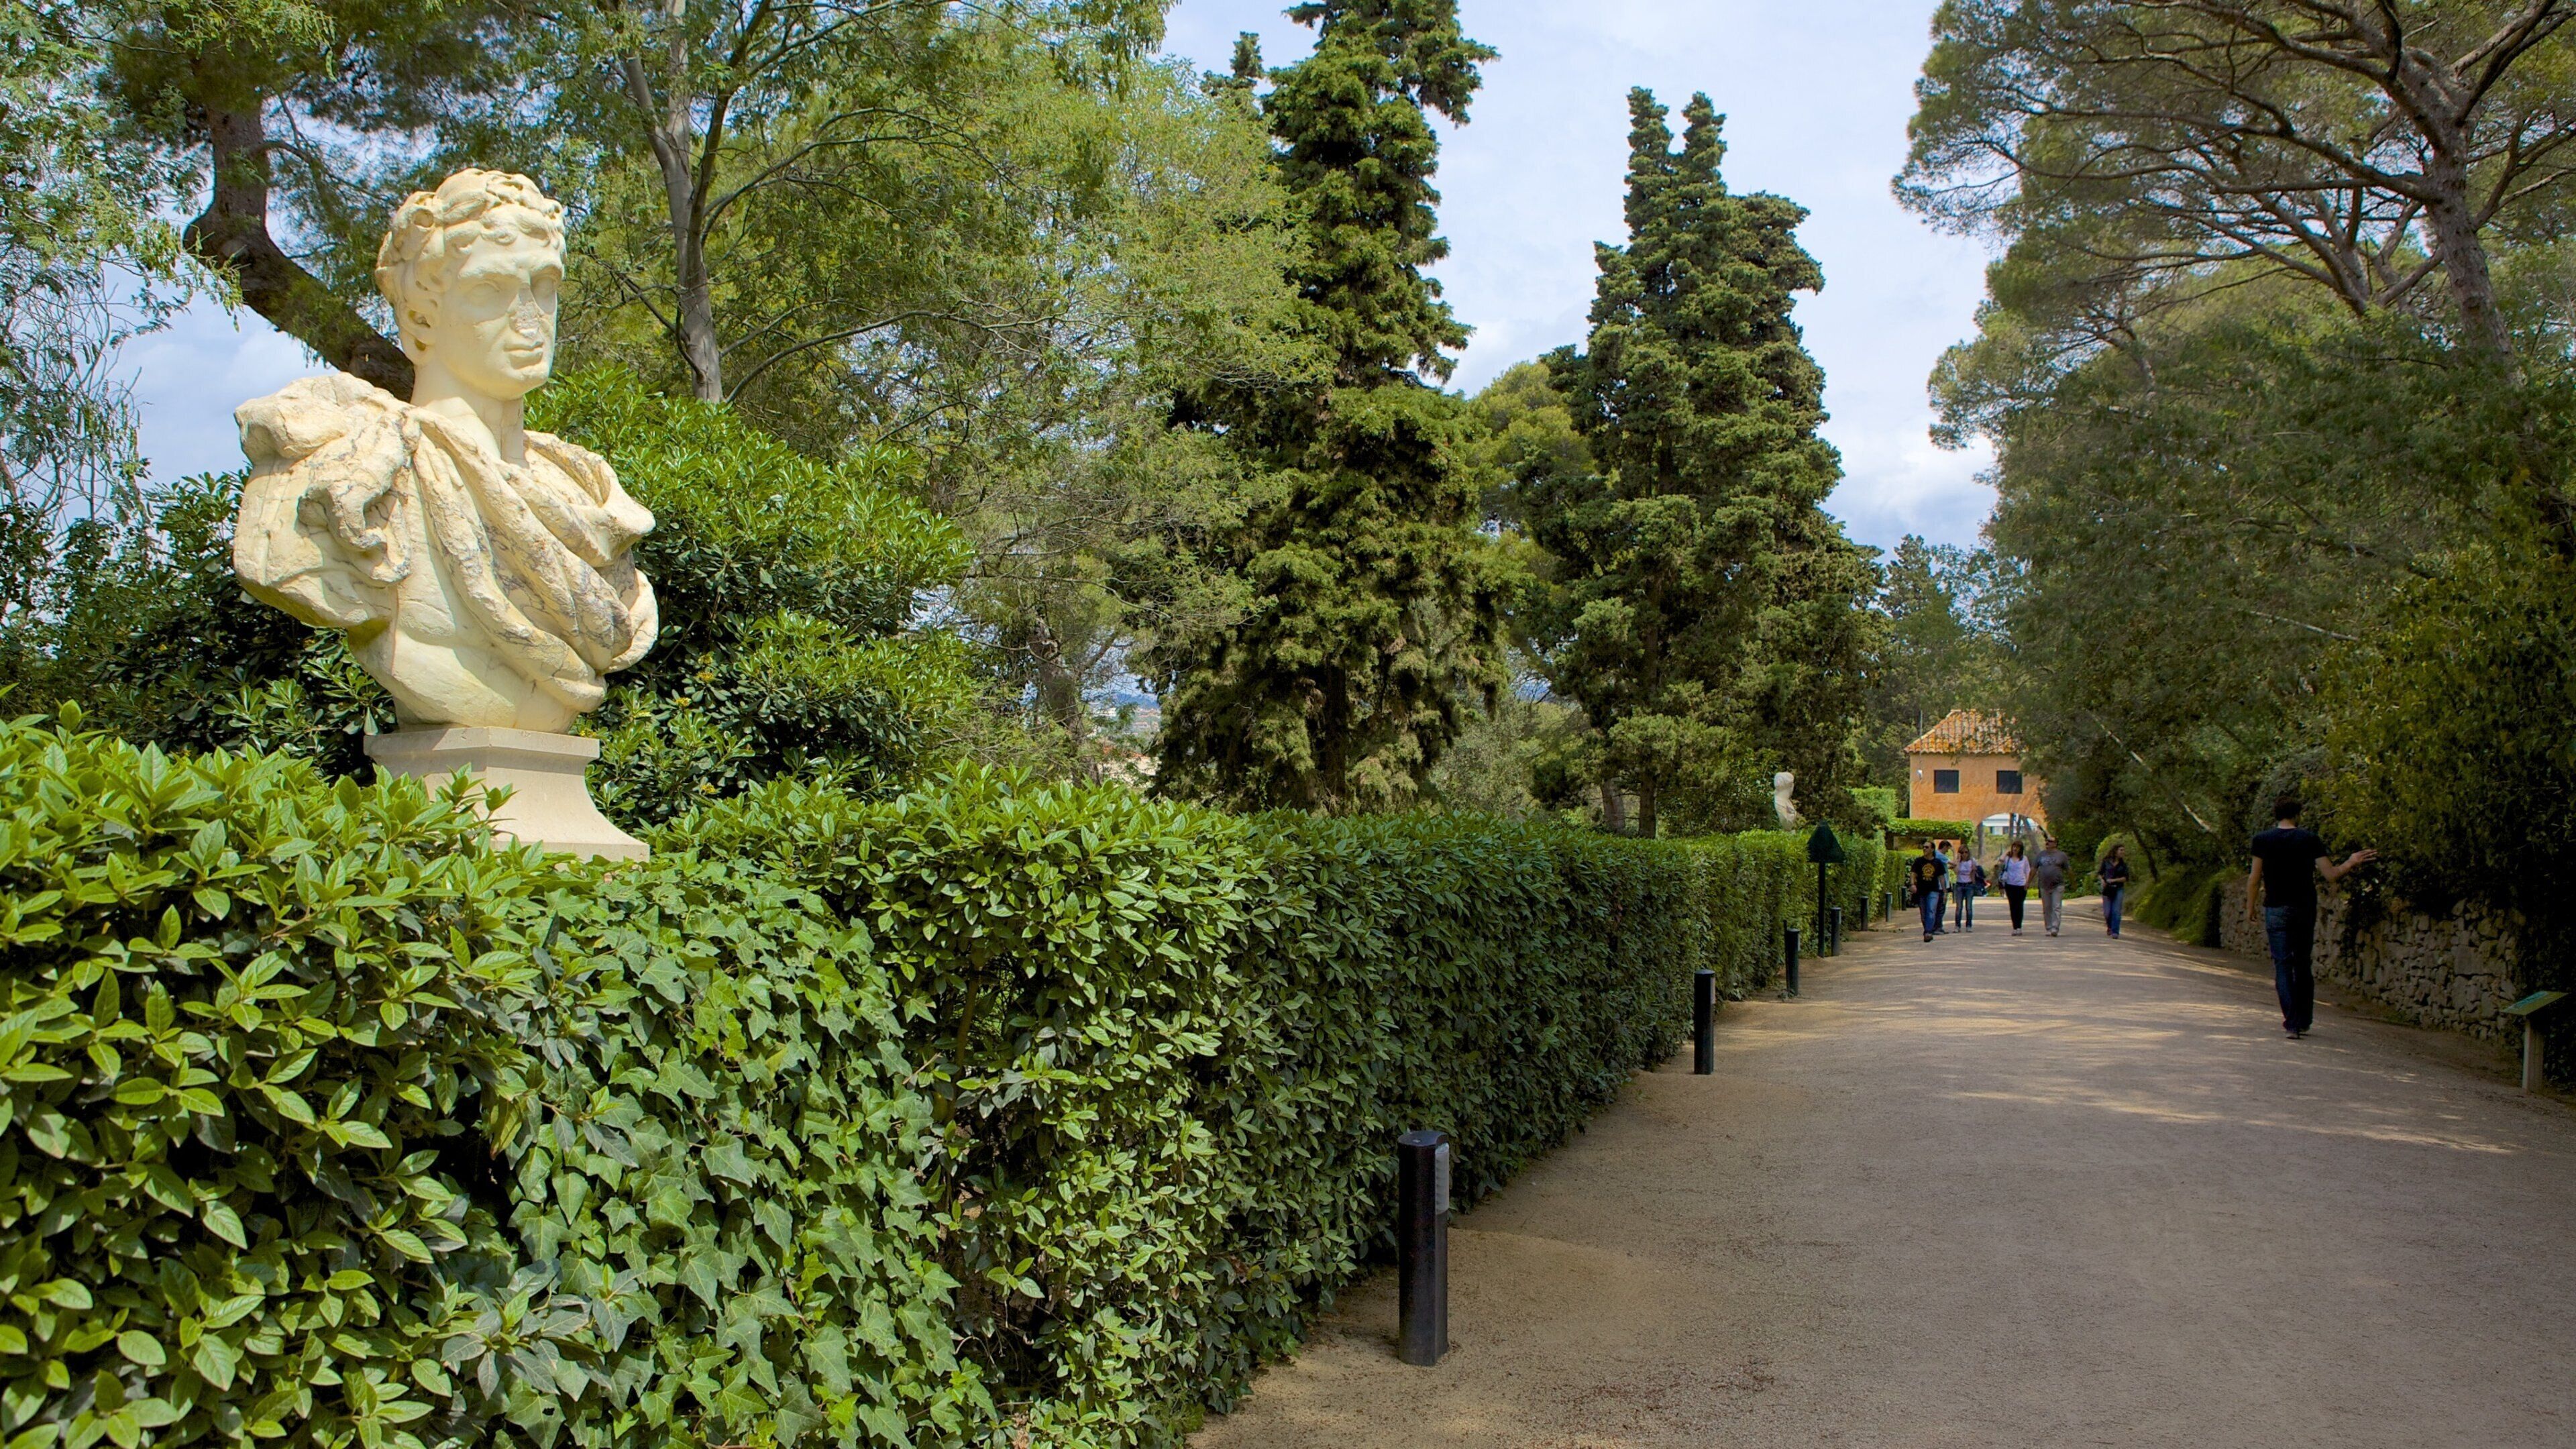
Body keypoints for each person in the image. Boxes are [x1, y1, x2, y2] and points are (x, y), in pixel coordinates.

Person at [2247, 798, 2376, 1039]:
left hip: (2275, 908)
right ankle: (2304, 1020)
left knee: (2283, 965)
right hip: (2304, 908)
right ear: (2297, 814)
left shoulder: (2262, 840)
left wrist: (2250, 907)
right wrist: (2351, 861)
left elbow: (2254, 879)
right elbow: (2331, 875)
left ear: (2276, 815)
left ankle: (2292, 1021)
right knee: (2302, 963)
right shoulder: (2309, 839)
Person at [2033, 837, 2071, 936]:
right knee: (2047, 908)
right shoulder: (2041, 855)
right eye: (2046, 841)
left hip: (2058, 885)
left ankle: (2055, 927)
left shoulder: (2061, 855)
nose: (2047, 843)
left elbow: (2068, 869)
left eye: (2050, 841)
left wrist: (2073, 882)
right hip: (2044, 885)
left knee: (2056, 906)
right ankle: (2049, 927)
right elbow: (2034, 868)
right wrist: (2028, 882)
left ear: (2055, 844)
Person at [1909, 841, 1947, 942]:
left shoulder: (1937, 863)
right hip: (1921, 890)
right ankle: (1927, 929)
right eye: (1924, 847)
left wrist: (1945, 892)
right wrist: (1912, 884)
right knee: (1924, 913)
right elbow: (1913, 873)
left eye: (1927, 847)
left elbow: (1942, 878)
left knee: (1931, 911)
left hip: (1934, 890)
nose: (1924, 849)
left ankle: (1928, 932)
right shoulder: (1918, 861)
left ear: (1932, 849)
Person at [2098, 844, 2133, 938]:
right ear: (2115, 851)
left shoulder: (2123, 865)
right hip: (2107, 889)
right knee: (2107, 912)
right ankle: (2110, 926)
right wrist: (2102, 881)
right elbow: (2100, 873)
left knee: (2116, 911)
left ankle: (2115, 931)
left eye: (2123, 850)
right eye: (2121, 850)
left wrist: (2114, 880)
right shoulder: (2106, 862)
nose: (2123, 852)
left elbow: (2125, 878)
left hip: (2118, 889)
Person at [1997, 841, 2031, 934]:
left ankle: (2019, 927)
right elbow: (2000, 860)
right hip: (2010, 885)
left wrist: (2027, 882)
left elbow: (2028, 871)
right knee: (2012, 906)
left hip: (2021, 885)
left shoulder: (2024, 859)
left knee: (2019, 906)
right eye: (2014, 847)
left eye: (2018, 847)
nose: (2015, 849)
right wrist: (2006, 852)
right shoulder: (2008, 858)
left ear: (2021, 849)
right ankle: (2015, 927)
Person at [1952, 851, 1984, 931]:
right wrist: (1958, 861)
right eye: (1962, 853)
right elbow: (1956, 872)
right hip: (1960, 885)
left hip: (1969, 885)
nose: (1964, 854)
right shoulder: (1958, 861)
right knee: (1959, 907)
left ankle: (1969, 926)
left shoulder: (1972, 861)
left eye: (1966, 852)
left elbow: (1975, 871)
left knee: (1969, 907)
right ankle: (1957, 926)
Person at [1931, 842, 1955, 933]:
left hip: (1940, 885)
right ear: (1945, 847)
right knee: (1941, 907)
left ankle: (1936, 927)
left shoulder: (1937, 855)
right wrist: (1954, 852)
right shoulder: (1940, 855)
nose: (1947, 851)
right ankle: (1938, 927)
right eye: (1948, 849)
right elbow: (1954, 863)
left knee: (1938, 907)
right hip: (1941, 886)